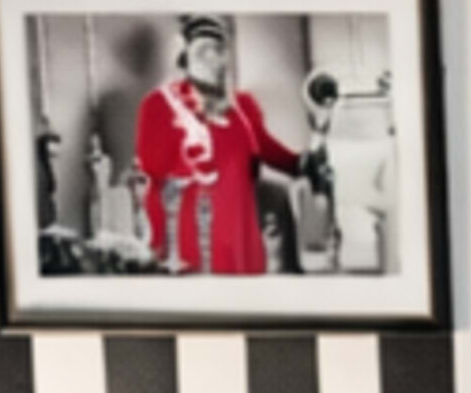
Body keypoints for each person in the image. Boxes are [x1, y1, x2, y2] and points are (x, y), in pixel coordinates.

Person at [129, 14, 329, 278]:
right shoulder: (158, 105)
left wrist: (302, 162)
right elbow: (152, 165)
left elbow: (267, 148)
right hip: (189, 223)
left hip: (238, 224)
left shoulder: (243, 105)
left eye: (218, 50)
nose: (212, 57)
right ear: (185, 56)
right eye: (203, 50)